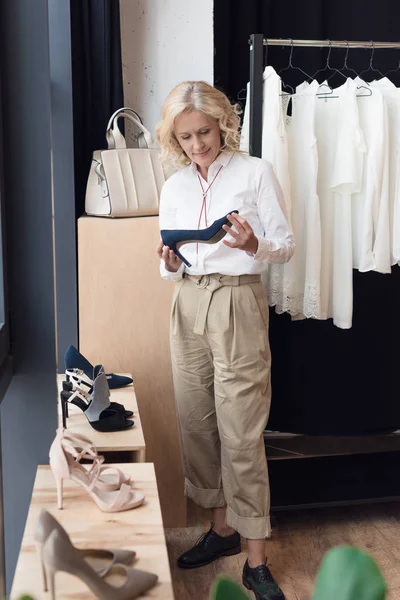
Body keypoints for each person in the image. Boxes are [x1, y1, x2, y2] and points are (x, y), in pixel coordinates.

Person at [156, 81, 294, 600]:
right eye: (186, 137)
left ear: (222, 124)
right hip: (188, 301)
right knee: (197, 422)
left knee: (241, 430)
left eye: (205, 132)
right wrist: (168, 263)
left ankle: (256, 560)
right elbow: (165, 264)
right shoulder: (173, 187)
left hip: (238, 300)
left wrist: (253, 242)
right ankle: (221, 531)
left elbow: (284, 246)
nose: (198, 145)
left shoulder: (255, 172)